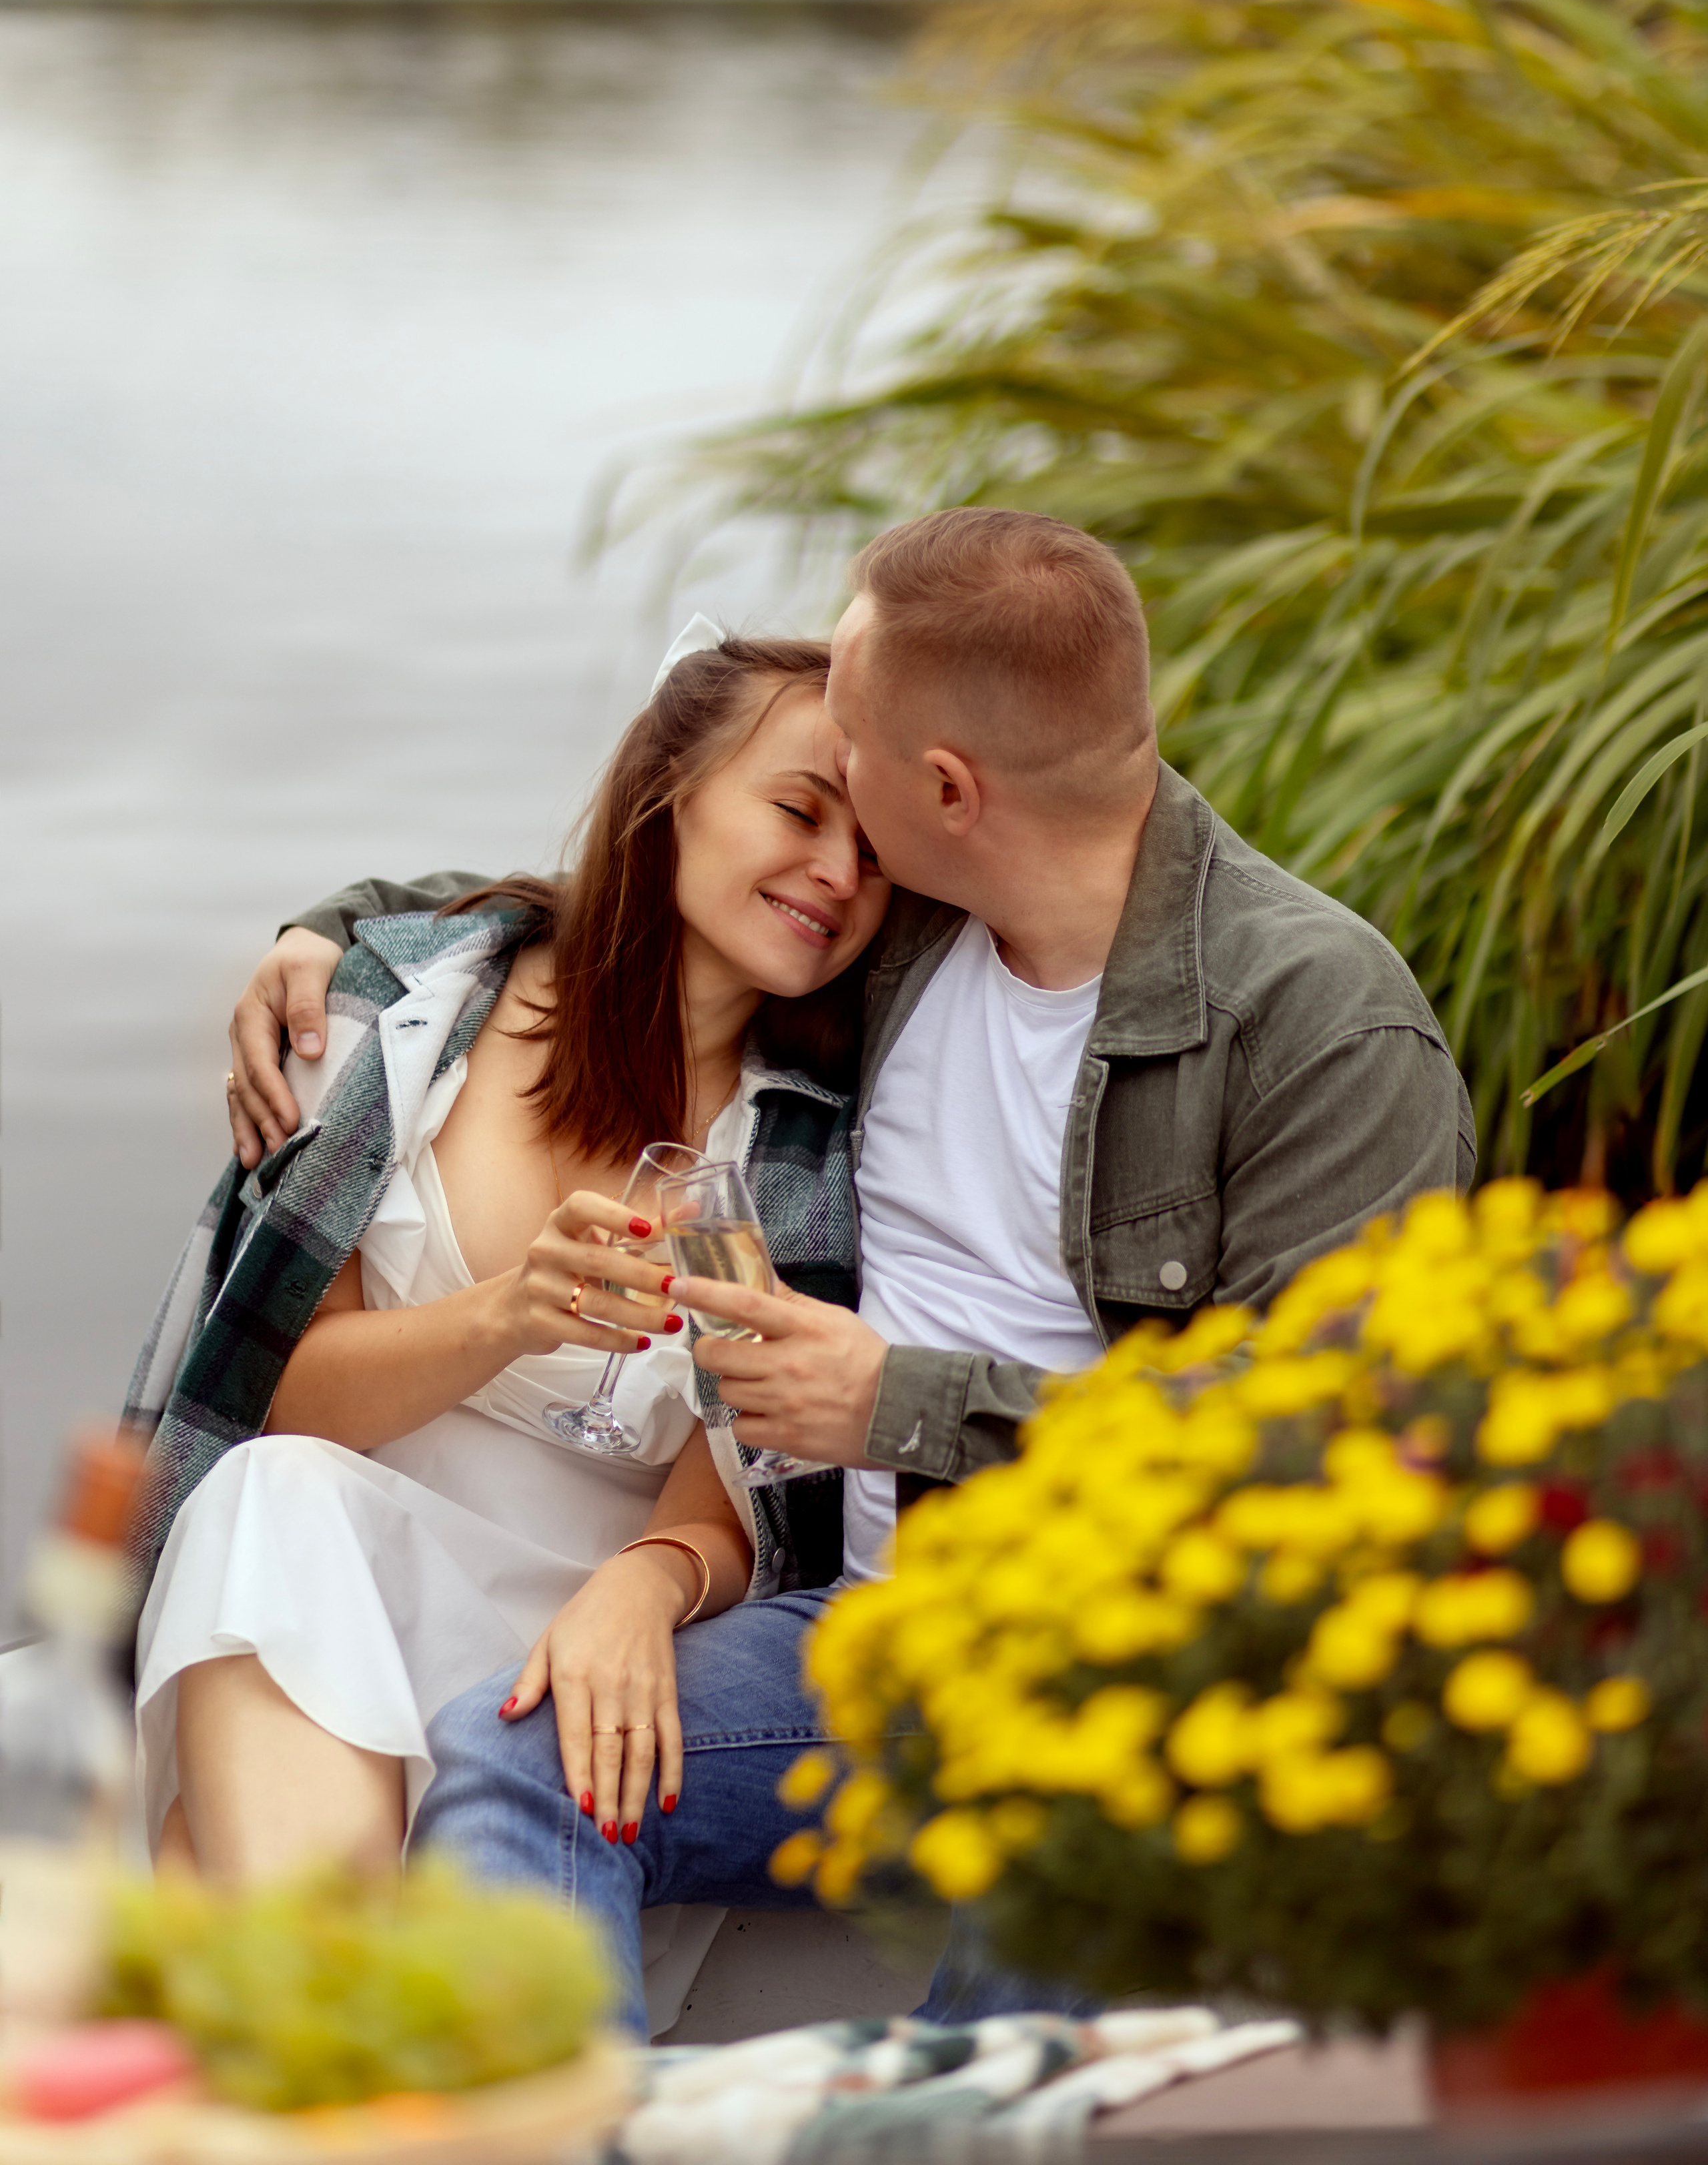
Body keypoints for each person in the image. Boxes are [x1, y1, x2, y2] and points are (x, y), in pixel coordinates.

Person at [229, 509, 1475, 2037]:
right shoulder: (907, 941)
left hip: (1151, 1675)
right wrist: (337, 937)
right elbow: (639, 890)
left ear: (943, 791)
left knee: (1059, 1861)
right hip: (864, 1643)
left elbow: (1331, 1447)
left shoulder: (1320, 1024)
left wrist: (901, 1402)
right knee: (526, 1755)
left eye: (858, 763)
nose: (840, 836)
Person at [123, 633, 889, 2039]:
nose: (839, 871)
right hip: (338, 1559)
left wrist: (651, 1586)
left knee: (197, 1859)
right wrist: (502, 1317)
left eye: (873, 847)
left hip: (582, 1626)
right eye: (797, 811)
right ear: (670, 790)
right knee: (267, 1499)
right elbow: (284, 1402)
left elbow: (742, 1472)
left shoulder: (794, 1145)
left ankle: (306, 2039)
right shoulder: (415, 1026)